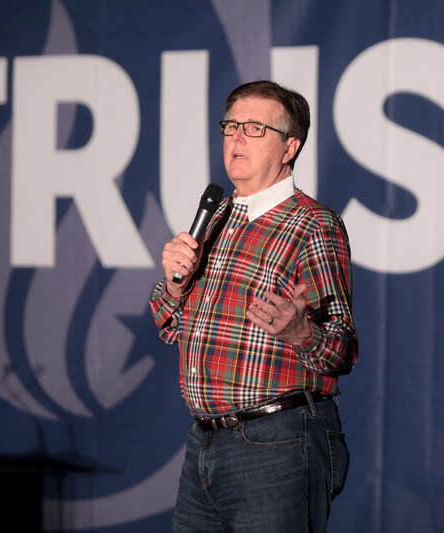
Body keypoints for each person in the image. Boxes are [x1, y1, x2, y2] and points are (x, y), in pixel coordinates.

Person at [149, 80, 358, 533]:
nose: (237, 138)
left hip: (277, 442)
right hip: (204, 442)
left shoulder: (313, 224)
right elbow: (170, 326)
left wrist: (301, 332)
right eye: (231, 126)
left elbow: (341, 348)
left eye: (255, 128)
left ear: (290, 147)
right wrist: (174, 284)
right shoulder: (217, 215)